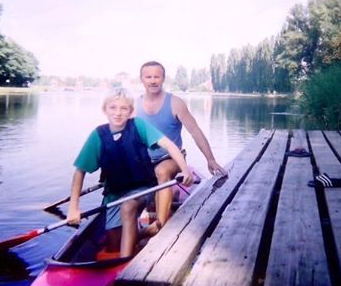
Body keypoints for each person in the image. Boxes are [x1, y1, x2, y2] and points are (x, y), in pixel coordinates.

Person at [66, 89, 193, 257]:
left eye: (124, 109)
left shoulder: (138, 125)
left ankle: (124, 262)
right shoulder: (98, 135)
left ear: (131, 111)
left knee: (128, 207)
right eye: (113, 108)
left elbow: (170, 145)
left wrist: (185, 170)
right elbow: (79, 172)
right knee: (113, 244)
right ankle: (146, 231)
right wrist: (73, 208)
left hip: (143, 189)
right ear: (105, 110)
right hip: (114, 194)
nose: (118, 113)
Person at [135, 60, 227, 228]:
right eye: (148, 77)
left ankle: (159, 227)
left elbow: (195, 131)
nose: (153, 80)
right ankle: (155, 208)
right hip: (144, 161)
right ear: (142, 79)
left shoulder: (175, 103)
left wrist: (210, 159)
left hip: (172, 157)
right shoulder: (134, 106)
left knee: (161, 172)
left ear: (163, 78)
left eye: (157, 76)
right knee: (137, 191)